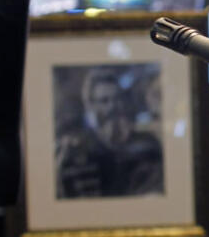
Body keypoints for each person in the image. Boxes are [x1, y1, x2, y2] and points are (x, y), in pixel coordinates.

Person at [57, 67, 164, 199]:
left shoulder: (147, 146)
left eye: (117, 98)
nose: (112, 107)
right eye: (104, 101)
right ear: (91, 106)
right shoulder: (79, 151)